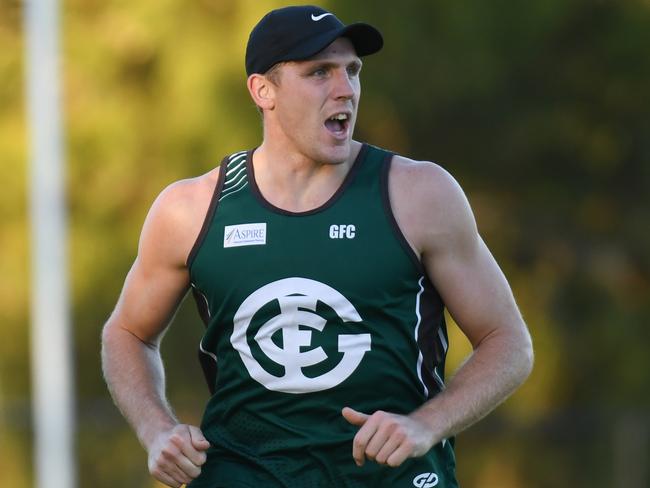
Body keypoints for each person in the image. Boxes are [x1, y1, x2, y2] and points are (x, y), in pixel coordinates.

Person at [101, 5, 534, 488]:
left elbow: (508, 342)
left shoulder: (420, 194)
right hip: (244, 474)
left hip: (392, 479)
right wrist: (157, 430)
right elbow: (127, 334)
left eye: (352, 70)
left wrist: (424, 425)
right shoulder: (191, 209)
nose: (345, 89)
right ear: (263, 90)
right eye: (319, 72)